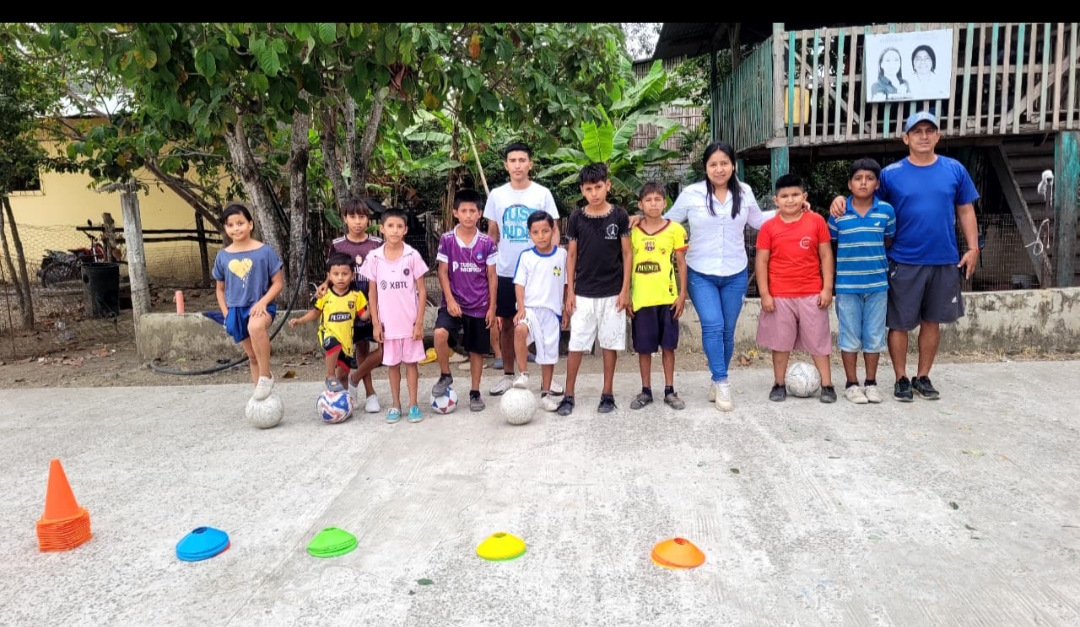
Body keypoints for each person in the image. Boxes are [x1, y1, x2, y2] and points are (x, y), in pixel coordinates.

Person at [829, 111, 979, 402]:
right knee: (899, 323)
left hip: (943, 258)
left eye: (929, 131)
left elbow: (965, 209)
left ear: (938, 136)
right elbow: (866, 199)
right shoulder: (890, 174)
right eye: (917, 131)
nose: (923, 136)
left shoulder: (955, 169)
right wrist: (839, 200)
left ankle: (923, 376)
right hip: (903, 259)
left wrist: (973, 248)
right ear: (905, 138)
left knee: (932, 321)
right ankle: (900, 378)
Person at [663, 141, 777, 412]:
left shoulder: (744, 192)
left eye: (724, 163)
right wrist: (639, 221)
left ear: (733, 165)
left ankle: (717, 379)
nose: (719, 169)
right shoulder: (692, 194)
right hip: (700, 272)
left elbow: (758, 221)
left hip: (735, 272)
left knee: (727, 330)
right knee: (713, 325)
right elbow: (668, 221)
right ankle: (722, 381)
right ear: (705, 167)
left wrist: (788, 209)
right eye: (713, 164)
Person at [483, 141, 563, 397]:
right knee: (508, 324)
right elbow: (492, 234)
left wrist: (551, 262)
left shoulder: (542, 194)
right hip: (507, 271)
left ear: (530, 164)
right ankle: (510, 375)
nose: (517, 165)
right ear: (506, 165)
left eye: (522, 160)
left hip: (538, 274)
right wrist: (490, 268)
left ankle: (547, 381)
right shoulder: (497, 195)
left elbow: (555, 230)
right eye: (512, 161)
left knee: (546, 325)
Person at [557, 162, 632, 416]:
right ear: (582, 190)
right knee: (576, 344)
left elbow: (627, 253)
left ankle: (607, 394)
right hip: (583, 294)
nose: (594, 193)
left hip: (613, 293)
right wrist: (570, 291)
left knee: (610, 344)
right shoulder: (576, 218)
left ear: (607, 185)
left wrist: (625, 290)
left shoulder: (619, 216)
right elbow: (571, 256)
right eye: (588, 189)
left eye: (598, 187)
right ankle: (569, 395)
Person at [755, 173, 836, 403]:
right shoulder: (768, 227)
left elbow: (826, 255)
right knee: (780, 342)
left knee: (818, 340)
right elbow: (761, 261)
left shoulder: (816, 221)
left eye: (795, 195)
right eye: (784, 196)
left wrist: (827, 288)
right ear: (776, 200)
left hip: (812, 293)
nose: (790, 200)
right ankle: (779, 384)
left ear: (804, 196)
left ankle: (827, 385)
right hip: (779, 295)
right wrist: (765, 294)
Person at [828, 158, 896, 404]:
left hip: (877, 285)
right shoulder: (838, 214)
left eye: (869, 178)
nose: (863, 183)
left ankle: (871, 383)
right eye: (858, 178)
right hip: (847, 287)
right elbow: (831, 245)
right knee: (849, 336)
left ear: (877, 184)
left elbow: (888, 240)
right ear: (850, 184)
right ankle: (851, 384)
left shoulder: (886, 211)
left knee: (874, 336)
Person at [359, 208, 430, 424]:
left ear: (405, 230)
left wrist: (419, 323)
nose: (395, 230)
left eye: (399, 226)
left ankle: (414, 405)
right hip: (387, 325)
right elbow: (372, 293)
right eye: (390, 226)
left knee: (411, 364)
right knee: (392, 365)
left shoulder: (412, 255)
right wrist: (375, 324)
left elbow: (422, 290)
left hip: (409, 324)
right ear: (382, 229)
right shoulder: (374, 258)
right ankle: (396, 405)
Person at [431, 189, 499, 412]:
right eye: (464, 211)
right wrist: (450, 300)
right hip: (454, 303)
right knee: (440, 334)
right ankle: (445, 375)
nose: (468, 215)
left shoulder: (487, 242)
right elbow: (442, 272)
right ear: (455, 213)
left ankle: (475, 392)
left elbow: (492, 276)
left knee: (476, 350)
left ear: (480, 213)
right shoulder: (447, 240)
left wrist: (492, 307)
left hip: (479, 305)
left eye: (472, 211)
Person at [316, 198, 383, 413]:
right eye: (352, 217)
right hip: (345, 306)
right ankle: (348, 396)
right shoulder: (337, 245)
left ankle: (360, 384)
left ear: (368, 219)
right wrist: (325, 284)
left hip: (371, 303)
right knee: (351, 352)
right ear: (344, 219)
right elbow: (332, 271)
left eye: (362, 217)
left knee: (383, 349)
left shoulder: (376, 244)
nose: (357, 221)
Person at [212, 203, 285, 401]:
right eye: (230, 225)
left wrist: (262, 303)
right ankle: (261, 399)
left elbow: (278, 283)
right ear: (225, 228)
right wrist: (226, 313)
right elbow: (220, 289)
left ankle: (265, 376)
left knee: (255, 327)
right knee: (253, 357)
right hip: (235, 311)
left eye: (240, 223)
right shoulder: (223, 256)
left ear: (250, 224)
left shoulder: (265, 251)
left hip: (261, 307)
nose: (236, 228)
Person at [628, 182, 689, 411]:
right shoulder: (632, 231)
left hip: (667, 299)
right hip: (641, 299)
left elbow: (681, 264)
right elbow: (627, 263)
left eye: (657, 199)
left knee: (668, 346)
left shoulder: (676, 230)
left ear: (665, 203)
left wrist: (682, 295)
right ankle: (646, 390)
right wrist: (627, 295)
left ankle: (669, 390)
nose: (653, 204)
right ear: (640, 204)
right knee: (644, 348)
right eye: (648, 200)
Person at [511, 212, 569, 412]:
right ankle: (524, 374)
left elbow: (566, 284)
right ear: (530, 234)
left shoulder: (562, 255)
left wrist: (566, 310)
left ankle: (546, 393)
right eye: (535, 232)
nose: (541, 236)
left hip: (552, 312)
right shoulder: (526, 257)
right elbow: (519, 284)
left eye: (545, 231)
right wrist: (521, 307)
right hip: (530, 309)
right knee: (520, 330)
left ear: (553, 231)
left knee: (549, 356)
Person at [288, 252, 370, 392]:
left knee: (343, 376)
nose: (340, 278)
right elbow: (315, 312)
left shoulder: (356, 295)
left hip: (347, 342)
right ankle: (329, 375)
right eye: (336, 274)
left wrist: (375, 306)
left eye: (345, 274)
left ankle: (342, 399)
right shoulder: (325, 295)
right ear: (329, 276)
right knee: (334, 346)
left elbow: (363, 316)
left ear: (352, 276)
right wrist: (299, 321)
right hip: (327, 334)